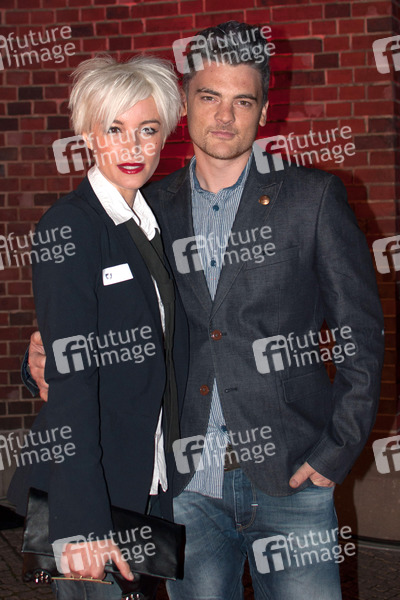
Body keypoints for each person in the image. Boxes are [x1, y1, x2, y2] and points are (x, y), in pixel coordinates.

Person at [22, 21, 384, 600]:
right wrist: (37, 361)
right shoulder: (148, 207)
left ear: (264, 110)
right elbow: (99, 320)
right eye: (209, 96)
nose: (224, 116)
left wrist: (337, 451)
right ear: (185, 103)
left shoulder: (312, 199)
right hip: (185, 485)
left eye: (243, 100)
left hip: (293, 478)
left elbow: (359, 333)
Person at [8, 54, 188, 600]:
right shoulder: (70, 225)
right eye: (115, 129)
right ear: (88, 135)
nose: (133, 147)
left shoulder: (153, 223)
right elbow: (71, 383)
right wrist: (82, 522)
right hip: (90, 493)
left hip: (144, 478)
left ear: (164, 136)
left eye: (147, 130)